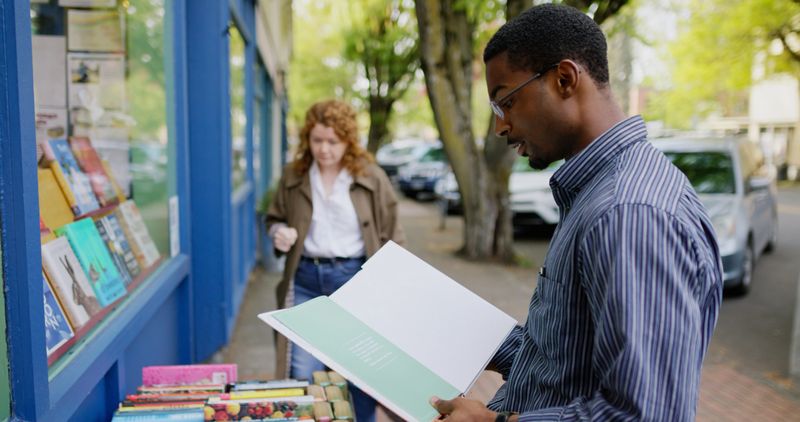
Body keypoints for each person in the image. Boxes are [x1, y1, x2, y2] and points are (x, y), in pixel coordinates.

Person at [430, 4, 723, 421]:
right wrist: (464, 328)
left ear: (564, 79)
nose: (500, 126)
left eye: (506, 102)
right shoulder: (599, 191)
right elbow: (567, 365)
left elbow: (642, 415)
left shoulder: (628, 213)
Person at [266, 99, 405, 422]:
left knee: (359, 372)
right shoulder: (294, 175)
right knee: (302, 370)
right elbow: (273, 219)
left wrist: (393, 290)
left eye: (333, 142)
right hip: (304, 280)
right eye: (317, 140)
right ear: (307, 139)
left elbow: (394, 237)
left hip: (354, 282)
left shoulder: (371, 176)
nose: (324, 149)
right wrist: (278, 233)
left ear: (347, 141)